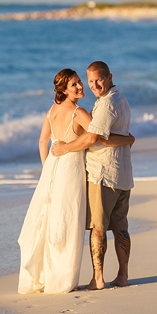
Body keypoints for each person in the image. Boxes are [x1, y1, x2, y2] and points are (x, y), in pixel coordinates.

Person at [18, 69, 134, 294]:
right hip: (72, 169)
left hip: (54, 167)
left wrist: (47, 169)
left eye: (81, 82)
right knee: (68, 222)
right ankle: (65, 278)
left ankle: (49, 276)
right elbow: (97, 137)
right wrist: (129, 139)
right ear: (63, 89)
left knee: (52, 221)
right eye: (75, 84)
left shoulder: (51, 111)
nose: (81, 86)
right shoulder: (79, 112)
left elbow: (43, 142)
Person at [52, 61, 134, 290]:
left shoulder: (107, 104)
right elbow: (111, 136)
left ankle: (97, 278)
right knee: (120, 226)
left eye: (98, 79)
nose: (94, 85)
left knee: (98, 227)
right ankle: (123, 276)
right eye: (90, 81)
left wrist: (65, 148)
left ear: (109, 77)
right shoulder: (121, 99)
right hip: (124, 174)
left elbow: (93, 137)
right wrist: (129, 140)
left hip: (103, 173)